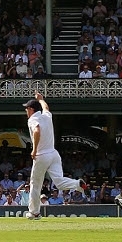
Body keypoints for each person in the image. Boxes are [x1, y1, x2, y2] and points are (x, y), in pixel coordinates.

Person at [22, 90, 87, 221]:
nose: (25, 111)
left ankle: (34, 213)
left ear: (31, 109)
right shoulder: (46, 115)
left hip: (42, 155)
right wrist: (41, 99)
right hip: (53, 154)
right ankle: (77, 184)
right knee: (59, 182)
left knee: (35, 185)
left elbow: (37, 130)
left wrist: (34, 150)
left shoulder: (33, 119)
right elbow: (46, 107)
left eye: (26, 109)